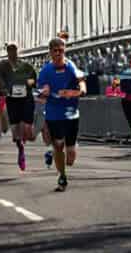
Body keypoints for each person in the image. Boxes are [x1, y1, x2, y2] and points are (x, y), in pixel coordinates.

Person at [37, 37, 85, 191]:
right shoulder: (45, 71)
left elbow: (81, 80)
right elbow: (40, 92)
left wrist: (80, 90)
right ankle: (62, 177)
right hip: (54, 114)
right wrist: (44, 92)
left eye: (61, 50)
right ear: (50, 52)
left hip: (71, 114)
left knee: (70, 156)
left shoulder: (71, 66)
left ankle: (69, 150)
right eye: (55, 51)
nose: (58, 53)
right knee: (58, 145)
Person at [0, 42, 37, 171]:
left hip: (26, 98)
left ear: (17, 51)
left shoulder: (26, 65)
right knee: (15, 127)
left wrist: (29, 83)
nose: (12, 53)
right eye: (10, 50)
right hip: (11, 99)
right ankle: (20, 146)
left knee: (26, 126)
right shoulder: (2, 66)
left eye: (14, 50)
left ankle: (23, 141)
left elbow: (34, 79)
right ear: (7, 52)